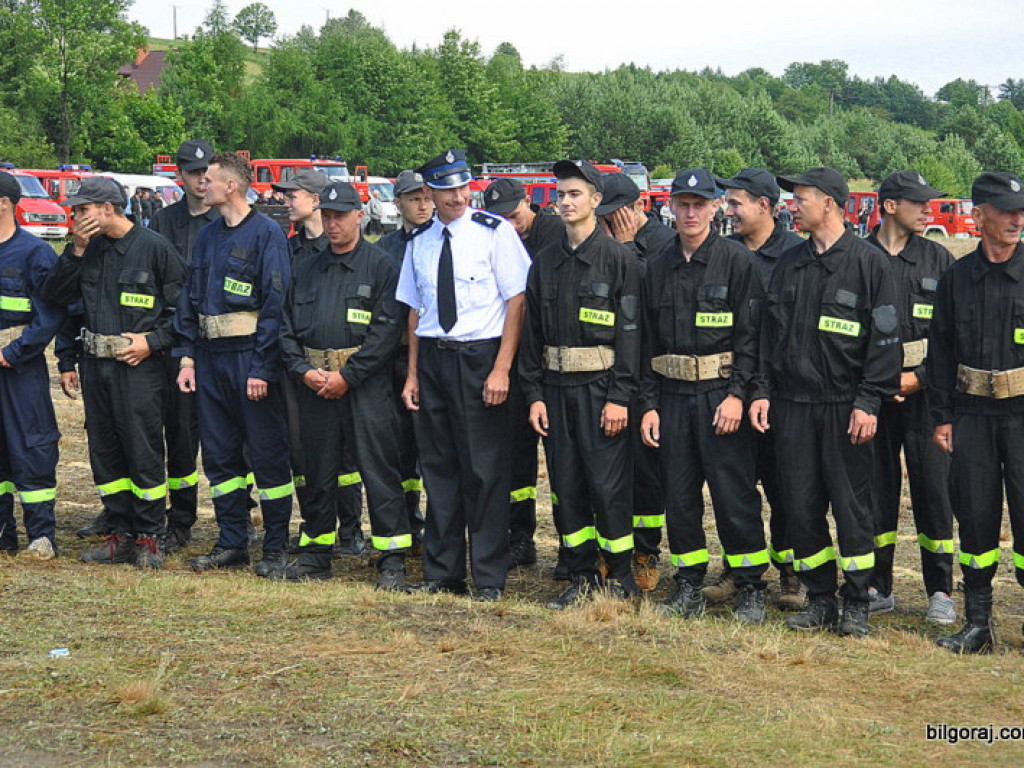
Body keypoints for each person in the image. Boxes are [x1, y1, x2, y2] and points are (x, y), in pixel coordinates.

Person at [750, 167, 900, 638]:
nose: (794, 205)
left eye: (802, 198)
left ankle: (857, 600)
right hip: (792, 405)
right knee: (799, 505)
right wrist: (761, 392)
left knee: (853, 508)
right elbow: (767, 339)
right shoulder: (791, 264)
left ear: (830, 203)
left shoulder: (868, 264)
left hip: (844, 406)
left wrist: (869, 402)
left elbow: (886, 340)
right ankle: (819, 598)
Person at [397, 149, 531, 601]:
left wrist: (501, 369)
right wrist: (413, 375)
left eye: (461, 187)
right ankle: (442, 573)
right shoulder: (419, 243)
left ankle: (489, 578)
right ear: (429, 192)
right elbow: (416, 312)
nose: (456, 196)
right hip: (435, 360)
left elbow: (516, 301)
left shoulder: (495, 234)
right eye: (445, 189)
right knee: (439, 470)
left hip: (481, 359)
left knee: (485, 472)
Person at [638, 168, 768, 623]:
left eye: (700, 204)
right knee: (679, 496)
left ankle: (750, 585)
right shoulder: (655, 266)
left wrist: (738, 395)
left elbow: (752, 338)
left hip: (720, 398)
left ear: (715, 208)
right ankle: (689, 582)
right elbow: (646, 345)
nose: (690, 212)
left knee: (734, 495)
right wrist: (650, 405)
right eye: (683, 204)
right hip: (671, 397)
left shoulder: (737, 263)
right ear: (670, 207)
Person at [41, 176, 186, 569]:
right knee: (105, 452)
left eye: (83, 210)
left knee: (142, 450)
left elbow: (183, 314)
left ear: (108, 208)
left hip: (138, 368)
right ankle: (120, 533)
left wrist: (151, 342)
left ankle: (150, 536)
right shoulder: (84, 249)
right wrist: (67, 360)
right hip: (95, 366)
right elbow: (57, 298)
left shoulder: (155, 248)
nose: (77, 217)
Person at [520, 160, 642, 609]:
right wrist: (533, 395)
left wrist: (620, 398)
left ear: (595, 200)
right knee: (567, 486)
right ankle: (582, 571)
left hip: (601, 389)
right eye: (561, 194)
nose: (566, 201)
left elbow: (632, 335)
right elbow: (531, 336)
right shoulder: (545, 262)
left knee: (608, 486)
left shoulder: (619, 259)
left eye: (576, 194)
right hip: (555, 390)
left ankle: (621, 575)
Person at [279, 181, 409, 585]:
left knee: (378, 471)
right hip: (315, 385)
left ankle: (390, 558)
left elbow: (387, 333)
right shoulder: (306, 267)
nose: (333, 224)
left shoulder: (381, 266)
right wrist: (303, 371)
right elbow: (284, 329)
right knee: (317, 472)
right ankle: (316, 554)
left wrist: (348, 377)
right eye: (328, 216)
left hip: (364, 387)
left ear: (359, 215)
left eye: (341, 216)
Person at [174, 152, 294, 577]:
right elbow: (189, 301)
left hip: (249, 361)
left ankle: (276, 547)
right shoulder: (207, 236)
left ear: (232, 187)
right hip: (209, 361)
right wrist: (187, 358)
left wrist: (262, 368)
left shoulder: (266, 235)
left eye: (208, 179)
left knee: (267, 456)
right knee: (221, 458)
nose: (200, 185)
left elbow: (276, 306)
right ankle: (232, 542)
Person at [928, 171, 1024, 654]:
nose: (1016, 219)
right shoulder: (956, 278)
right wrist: (942, 416)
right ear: (980, 214)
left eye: (1020, 211)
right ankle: (978, 626)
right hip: (971, 417)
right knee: (976, 519)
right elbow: (940, 353)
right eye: (1005, 211)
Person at [705, 168, 805, 610]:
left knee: (784, 486)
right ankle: (740, 570)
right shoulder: (723, 253)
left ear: (764, 205)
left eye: (735, 203)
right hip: (731, 389)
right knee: (734, 488)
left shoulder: (796, 257)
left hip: (779, 395)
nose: (729, 211)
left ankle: (790, 573)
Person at [865, 171, 956, 624]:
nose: (928, 209)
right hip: (873, 399)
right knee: (876, 492)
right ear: (889, 206)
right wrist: (879, 383)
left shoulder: (939, 260)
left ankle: (940, 589)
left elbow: (953, 335)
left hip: (926, 397)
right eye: (919, 203)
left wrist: (917, 378)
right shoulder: (858, 257)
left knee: (933, 491)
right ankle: (878, 586)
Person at [272, 169, 366, 555]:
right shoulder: (290, 251)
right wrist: (301, 368)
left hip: (350, 374)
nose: (285, 201)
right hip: (303, 373)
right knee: (305, 453)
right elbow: (283, 318)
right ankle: (316, 532)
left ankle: (351, 530)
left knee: (349, 459)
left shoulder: (359, 260)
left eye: (293, 194)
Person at [596, 172, 675, 593]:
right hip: (611, 370)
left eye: (613, 215)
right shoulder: (602, 243)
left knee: (647, 472)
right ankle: (611, 550)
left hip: (650, 374)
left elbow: (645, 301)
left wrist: (627, 248)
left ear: (637, 208)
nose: (607, 223)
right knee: (610, 469)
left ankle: (646, 549)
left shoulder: (662, 244)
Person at [483, 177, 564, 573]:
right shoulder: (493, 236)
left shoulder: (554, 234)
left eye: (515, 216)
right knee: (517, 457)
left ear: (528, 201)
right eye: (501, 219)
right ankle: (520, 538)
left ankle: (572, 547)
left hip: (552, 360)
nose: (510, 226)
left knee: (563, 459)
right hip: (514, 359)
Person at [145, 139, 221, 553]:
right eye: (193, 172)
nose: (201, 178)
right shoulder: (163, 221)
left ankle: (236, 515)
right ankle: (179, 521)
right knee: (177, 433)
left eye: (207, 171)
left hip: (218, 344)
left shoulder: (227, 221)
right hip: (174, 344)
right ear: (180, 175)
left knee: (224, 438)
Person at [0, 172, 63, 559]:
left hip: (19, 368)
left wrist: (14, 351)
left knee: (32, 446)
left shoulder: (34, 253)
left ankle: (42, 536)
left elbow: (50, 316)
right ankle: (4, 534)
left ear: (4, 203)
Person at [376, 170, 436, 551]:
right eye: (414, 198)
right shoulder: (384, 250)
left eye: (427, 196)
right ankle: (406, 522)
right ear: (397, 203)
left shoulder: (443, 242)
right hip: (394, 357)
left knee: (434, 447)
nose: (423, 203)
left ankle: (439, 527)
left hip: (432, 358)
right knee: (398, 449)